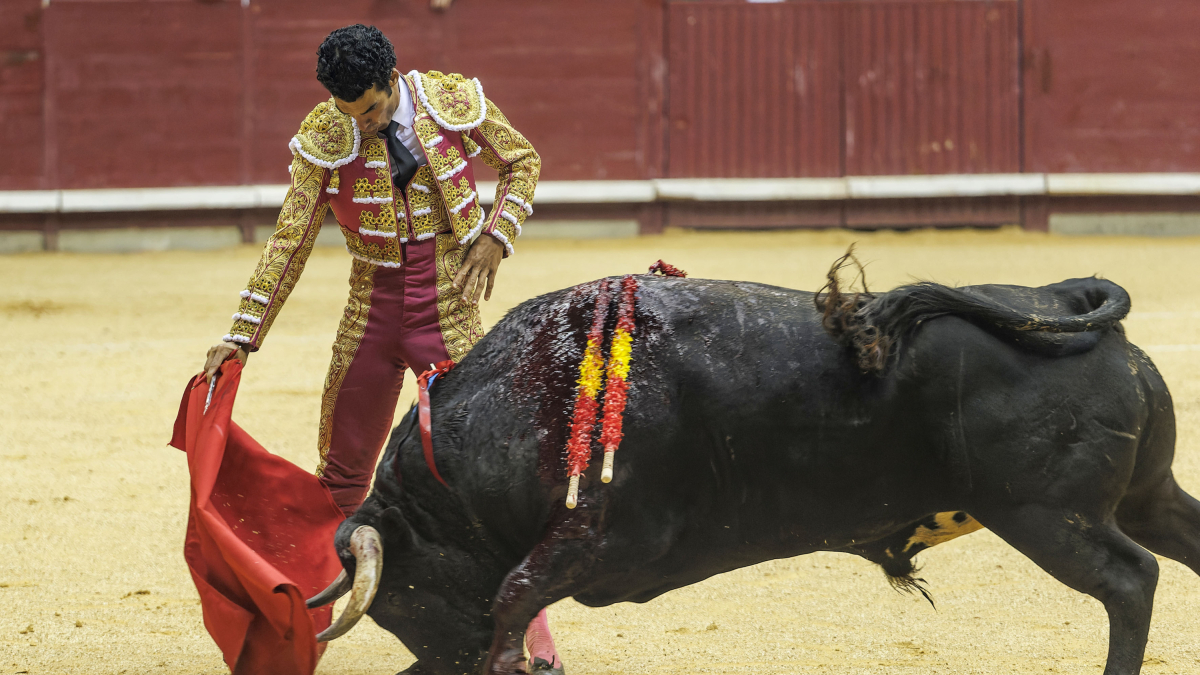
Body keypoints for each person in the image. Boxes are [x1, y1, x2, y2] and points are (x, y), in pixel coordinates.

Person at [200, 24, 562, 674]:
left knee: (486, 480)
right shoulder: (327, 133)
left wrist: (494, 236)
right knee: (338, 482)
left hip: (449, 310)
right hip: (369, 314)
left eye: (369, 110)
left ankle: (537, 647)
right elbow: (291, 240)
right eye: (348, 113)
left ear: (392, 81)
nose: (360, 125)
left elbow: (523, 161)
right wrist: (241, 335)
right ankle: (297, 638)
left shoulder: (448, 101)